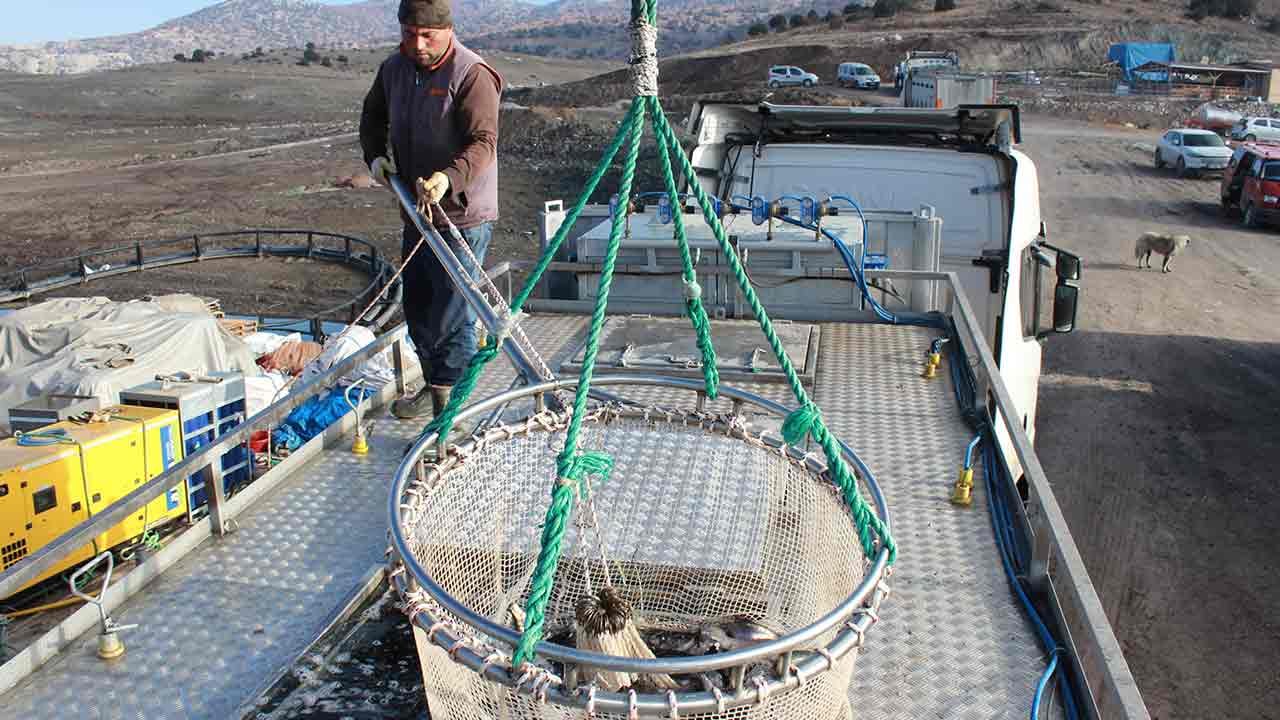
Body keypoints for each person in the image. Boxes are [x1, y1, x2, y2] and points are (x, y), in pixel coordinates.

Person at [360, 0, 503, 420]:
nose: (418, 44)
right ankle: (435, 386)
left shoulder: (472, 74)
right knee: (420, 308)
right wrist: (375, 157)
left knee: (452, 316)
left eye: (427, 36)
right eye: (409, 34)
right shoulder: (394, 70)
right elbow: (372, 117)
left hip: (462, 215)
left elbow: (483, 142)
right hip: (418, 213)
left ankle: (451, 416)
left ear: (448, 30)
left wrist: (448, 177)